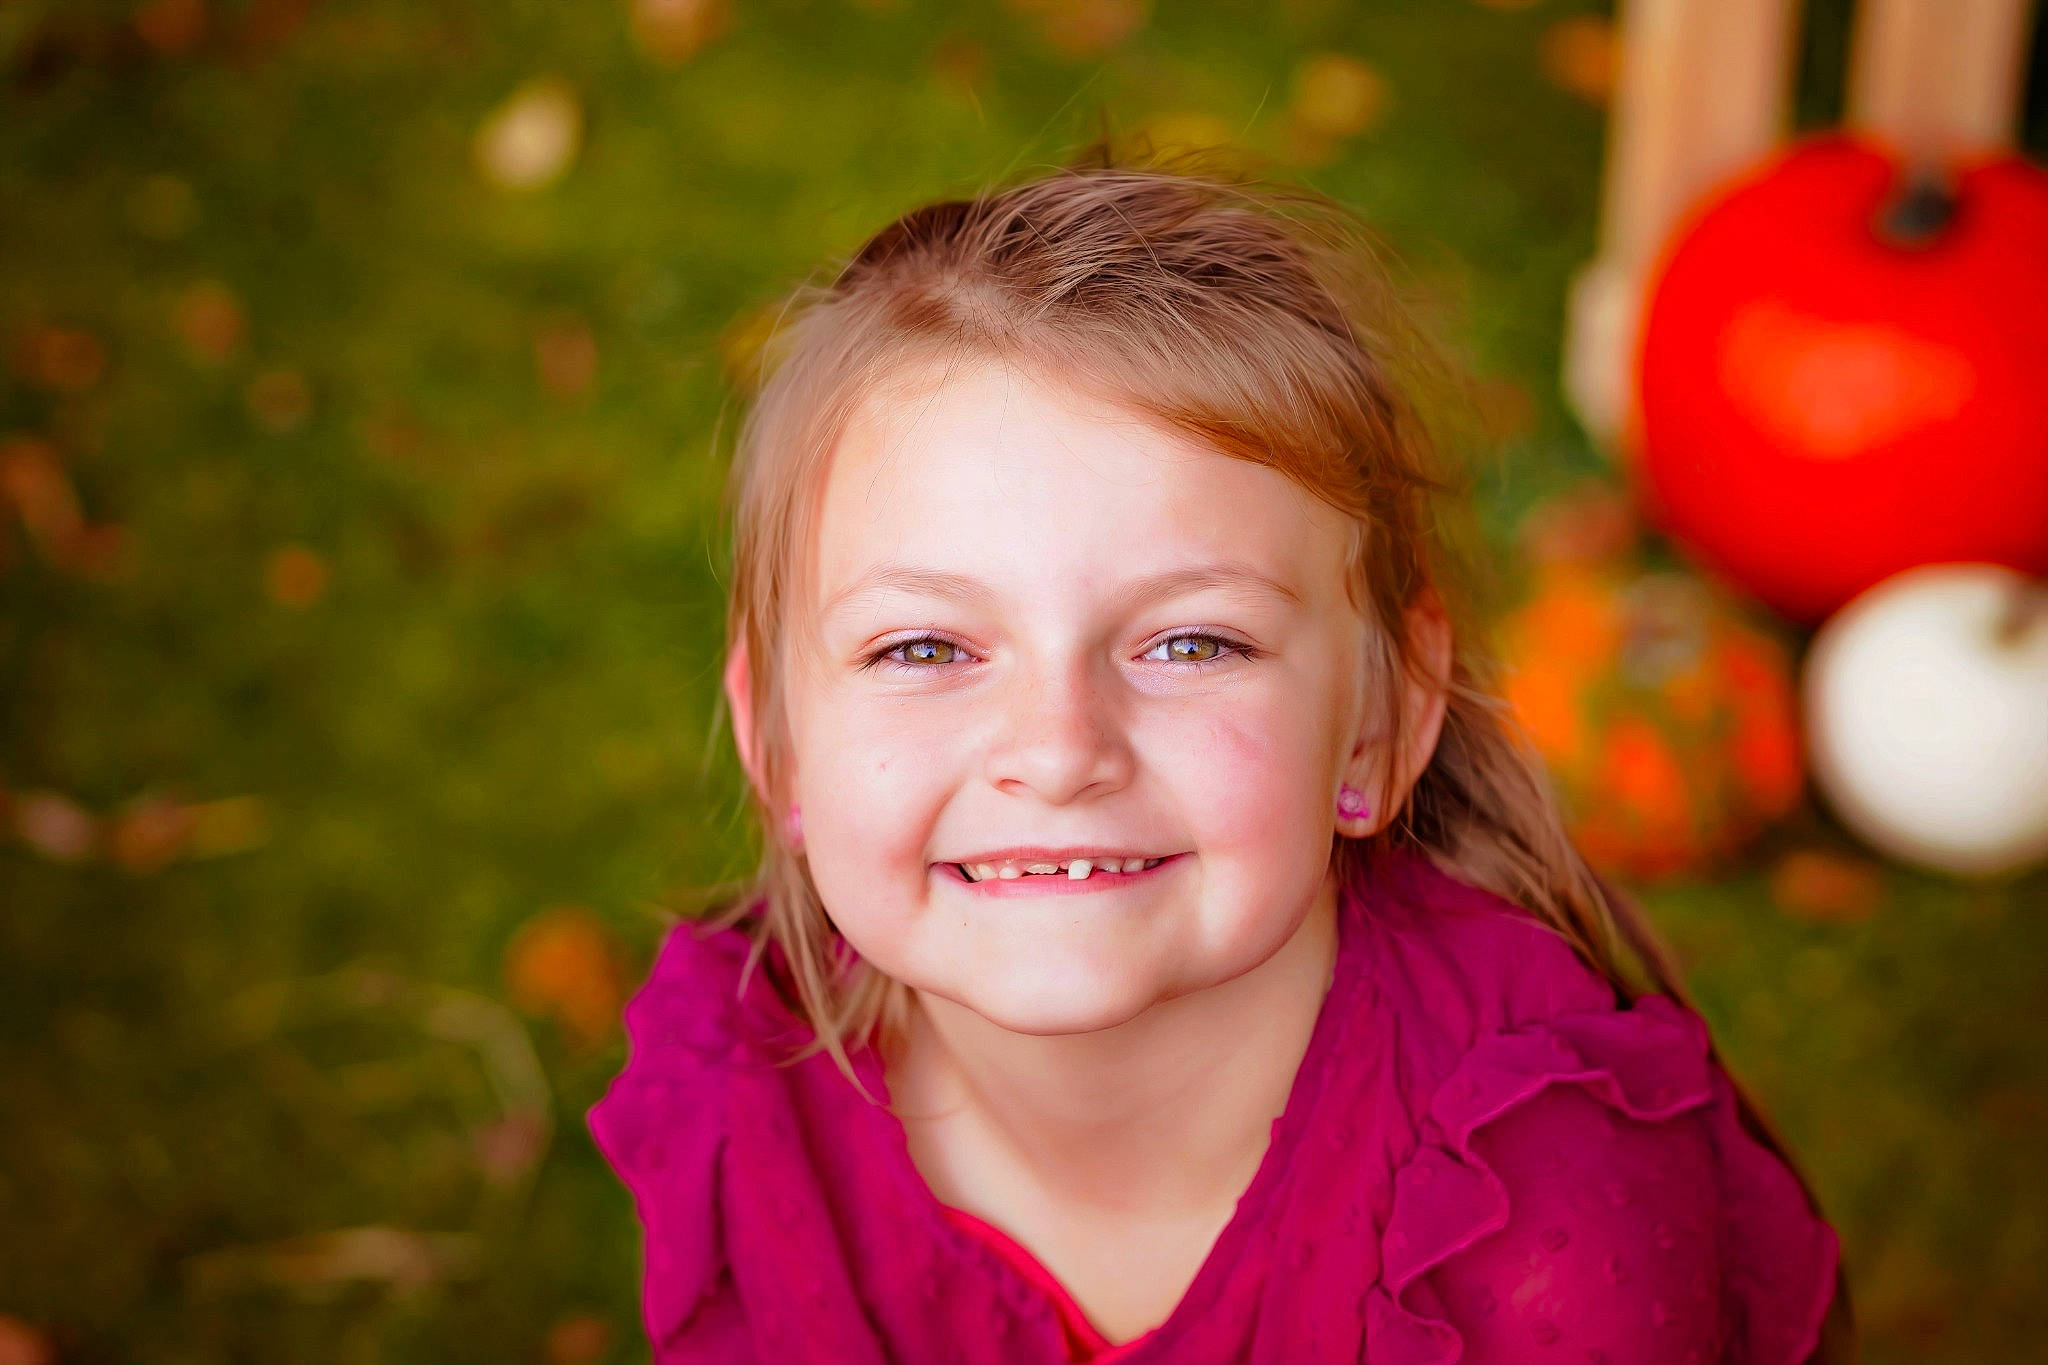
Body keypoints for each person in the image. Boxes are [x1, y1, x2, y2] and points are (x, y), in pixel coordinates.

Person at [587, 148, 1852, 1364]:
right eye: (923, 648)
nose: (1057, 750)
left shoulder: (1538, 1218)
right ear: (778, 742)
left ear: (1377, 722)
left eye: (1190, 643)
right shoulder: (745, 1103)